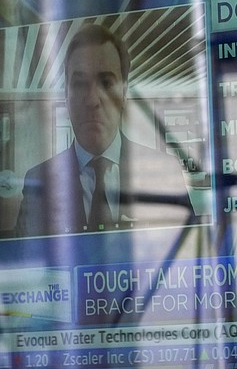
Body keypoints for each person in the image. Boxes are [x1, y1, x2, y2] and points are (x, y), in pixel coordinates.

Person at [15, 24, 192, 237]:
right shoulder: (38, 181)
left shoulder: (165, 172)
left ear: (125, 92)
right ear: (66, 95)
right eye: (80, 84)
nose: (92, 100)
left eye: (106, 83)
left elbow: (191, 257)